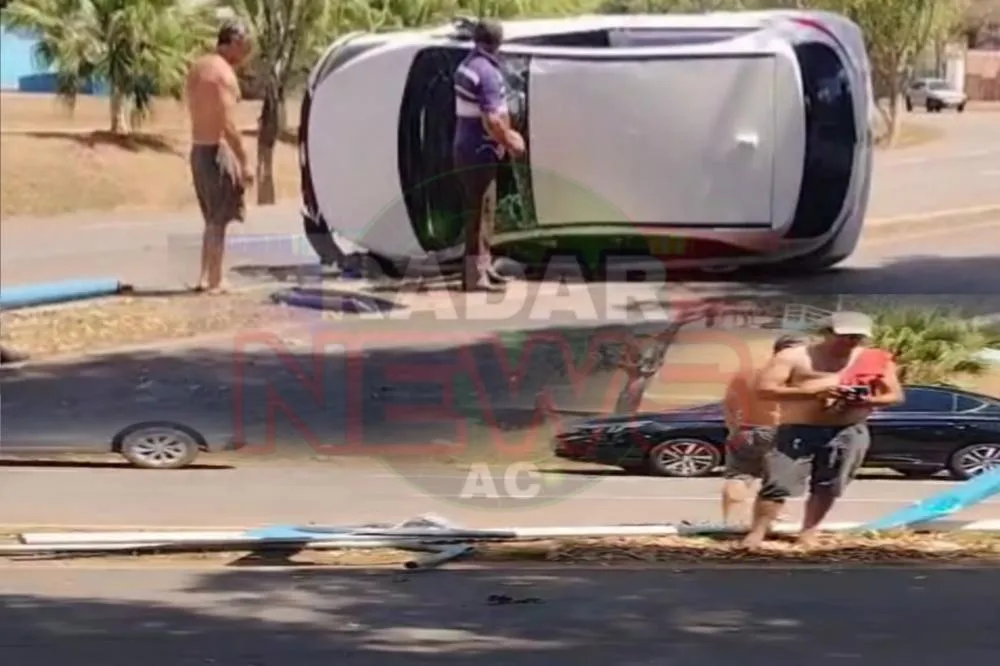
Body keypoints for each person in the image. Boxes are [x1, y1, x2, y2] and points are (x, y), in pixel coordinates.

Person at [743, 311, 904, 549]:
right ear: (826, 333)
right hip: (798, 430)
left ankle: (808, 532)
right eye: (845, 336)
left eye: (857, 337)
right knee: (778, 484)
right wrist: (814, 393)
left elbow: (895, 396)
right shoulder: (794, 356)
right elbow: (764, 390)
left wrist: (863, 401)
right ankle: (757, 533)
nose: (850, 342)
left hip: (847, 430)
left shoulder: (873, 359)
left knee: (829, 486)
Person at [452, 19, 525, 293]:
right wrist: (511, 141)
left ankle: (483, 266)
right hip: (479, 152)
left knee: (482, 212)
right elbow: (492, 119)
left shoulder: (468, 65)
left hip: (468, 149)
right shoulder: (486, 73)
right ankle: (475, 277)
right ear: (498, 42)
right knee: (480, 215)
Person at [185, 20, 254, 293]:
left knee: (212, 218)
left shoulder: (199, 67)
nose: (246, 54)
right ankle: (215, 279)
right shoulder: (222, 73)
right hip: (215, 150)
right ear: (234, 43)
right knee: (218, 220)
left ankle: (205, 276)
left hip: (198, 149)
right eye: (244, 46)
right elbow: (227, 124)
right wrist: (244, 161)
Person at [720, 333, 808, 525]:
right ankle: (773, 520)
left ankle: (730, 522)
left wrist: (733, 430)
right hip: (778, 430)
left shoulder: (746, 372)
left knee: (738, 476)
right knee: (777, 479)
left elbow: (729, 404)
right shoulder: (791, 375)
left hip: (745, 429)